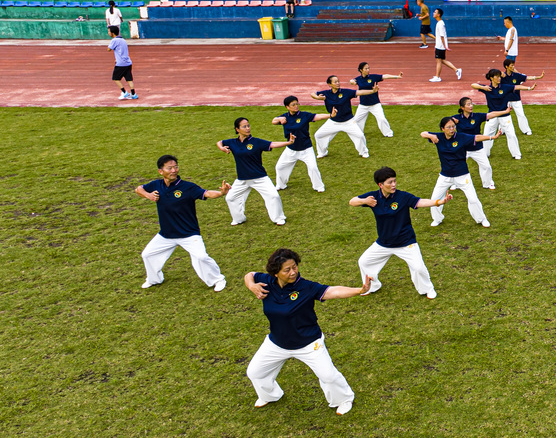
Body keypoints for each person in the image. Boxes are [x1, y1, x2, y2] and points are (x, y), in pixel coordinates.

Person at [243, 248, 366, 416]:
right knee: (255, 372)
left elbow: (332, 291)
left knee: (328, 376)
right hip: (277, 343)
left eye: (294, 267)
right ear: (276, 273)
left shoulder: (306, 287)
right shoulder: (267, 282)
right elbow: (249, 274)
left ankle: (344, 399)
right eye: (287, 270)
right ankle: (270, 395)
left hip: (308, 343)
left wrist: (359, 290)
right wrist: (251, 286)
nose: (293, 272)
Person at [350, 166, 450, 300]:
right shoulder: (373, 197)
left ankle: (427, 289)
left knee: (419, 268)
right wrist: (364, 201)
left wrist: (439, 202)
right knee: (364, 262)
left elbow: (420, 202)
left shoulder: (402, 196)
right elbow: (352, 201)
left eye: (394, 181)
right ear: (380, 185)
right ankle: (373, 286)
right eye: (390, 182)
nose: (393, 185)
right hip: (384, 243)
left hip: (406, 242)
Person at [136, 154, 231, 291]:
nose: (174, 170)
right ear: (161, 171)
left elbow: (207, 194)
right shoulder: (156, 185)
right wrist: (148, 195)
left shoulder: (188, 187)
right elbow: (138, 189)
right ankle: (154, 279)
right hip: (166, 235)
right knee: (147, 254)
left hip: (189, 234)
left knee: (201, 257)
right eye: (170, 168)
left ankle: (218, 280)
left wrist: (221, 193)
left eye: (175, 167)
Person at [420, 116, 503, 228]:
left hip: (462, 175)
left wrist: (492, 137)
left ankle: (481, 219)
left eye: (453, 126)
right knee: (435, 199)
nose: (452, 129)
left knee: (473, 199)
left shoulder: (461, 137)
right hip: (445, 176)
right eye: (448, 127)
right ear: (442, 128)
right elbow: (423, 133)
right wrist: (431, 136)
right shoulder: (438, 137)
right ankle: (437, 219)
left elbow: (476, 137)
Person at [218, 117, 293, 226]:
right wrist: (222, 148)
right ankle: (239, 219)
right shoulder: (232, 143)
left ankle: (279, 218)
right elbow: (219, 142)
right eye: (244, 126)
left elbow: (272, 144)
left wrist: (289, 143)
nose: (248, 128)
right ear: (237, 129)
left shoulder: (256, 142)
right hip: (242, 179)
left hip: (259, 178)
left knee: (274, 196)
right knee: (230, 198)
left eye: (248, 126)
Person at [471, 68, 535, 160]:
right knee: (487, 134)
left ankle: (516, 154)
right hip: (492, 116)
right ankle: (486, 153)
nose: (499, 78)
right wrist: (482, 87)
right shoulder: (487, 89)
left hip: (505, 116)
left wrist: (529, 88)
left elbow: (517, 87)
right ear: (492, 78)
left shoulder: (505, 87)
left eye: (499, 76)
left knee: (511, 134)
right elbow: (473, 85)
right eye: (497, 77)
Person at [271, 95, 328, 193]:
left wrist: (330, 115)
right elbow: (273, 121)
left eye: (297, 103)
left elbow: (317, 116)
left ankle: (319, 186)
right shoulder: (284, 117)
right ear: (287, 107)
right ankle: (281, 185)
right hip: (291, 149)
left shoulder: (304, 115)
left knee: (313, 168)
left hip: (306, 149)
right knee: (280, 167)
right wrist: (279, 119)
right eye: (293, 105)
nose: (296, 106)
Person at [452, 96, 511, 190]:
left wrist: (505, 112)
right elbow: (445, 124)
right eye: (468, 104)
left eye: (471, 104)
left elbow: (491, 114)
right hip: (462, 148)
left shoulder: (477, 116)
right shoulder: (456, 118)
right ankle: (456, 183)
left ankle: (488, 183)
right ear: (462, 107)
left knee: (486, 166)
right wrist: (451, 121)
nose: (471, 106)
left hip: (477, 148)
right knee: (456, 165)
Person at [311, 75, 376, 159]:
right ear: (329, 84)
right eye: (335, 82)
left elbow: (360, 92)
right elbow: (312, 94)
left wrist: (372, 91)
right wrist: (318, 98)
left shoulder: (346, 92)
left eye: (338, 81)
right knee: (318, 135)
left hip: (348, 121)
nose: (338, 83)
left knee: (360, 135)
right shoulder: (326, 93)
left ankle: (364, 152)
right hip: (333, 121)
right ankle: (322, 152)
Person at [351, 62, 402, 138]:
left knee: (381, 119)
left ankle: (388, 133)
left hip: (375, 104)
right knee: (356, 120)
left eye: (368, 68)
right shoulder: (358, 79)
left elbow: (385, 76)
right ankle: (358, 133)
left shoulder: (373, 77)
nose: (368, 70)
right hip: (363, 105)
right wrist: (351, 81)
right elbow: (352, 81)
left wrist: (397, 77)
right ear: (361, 70)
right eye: (366, 68)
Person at [500, 59, 543, 136]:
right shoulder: (502, 76)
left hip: (516, 99)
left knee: (521, 115)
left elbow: (527, 77)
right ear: (506, 67)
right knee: (503, 115)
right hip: (505, 100)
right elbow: (493, 76)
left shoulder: (517, 75)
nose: (513, 67)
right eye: (511, 65)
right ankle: (502, 130)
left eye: (513, 65)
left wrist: (539, 77)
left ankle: (526, 130)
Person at [430, 8, 463, 82]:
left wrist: (445, 46)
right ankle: (457, 70)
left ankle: (438, 77)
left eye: (435, 12)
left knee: (439, 61)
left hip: (441, 46)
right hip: (439, 45)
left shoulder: (441, 24)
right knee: (442, 60)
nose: (433, 13)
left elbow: (442, 36)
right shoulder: (439, 23)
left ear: (438, 15)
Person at [108, 24, 136, 100]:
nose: (108, 33)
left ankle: (124, 92)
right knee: (129, 79)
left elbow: (109, 49)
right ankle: (133, 94)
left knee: (116, 78)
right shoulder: (123, 40)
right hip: (128, 62)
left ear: (112, 33)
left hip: (121, 63)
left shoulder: (114, 40)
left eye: (109, 31)